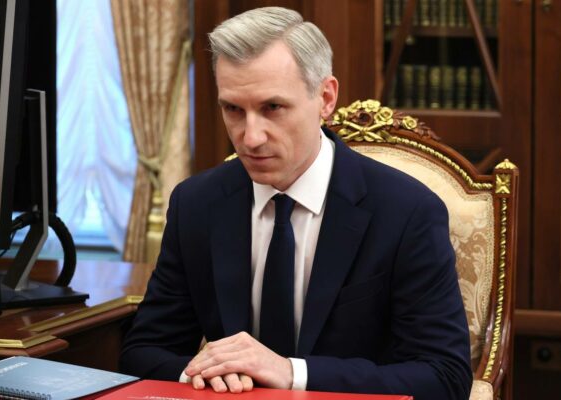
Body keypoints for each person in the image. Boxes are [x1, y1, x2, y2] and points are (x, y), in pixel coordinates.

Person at [119, 6, 472, 400]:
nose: (250, 137)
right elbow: (143, 352)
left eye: (272, 108)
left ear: (325, 98)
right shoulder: (196, 204)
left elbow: (444, 377)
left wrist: (291, 373)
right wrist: (213, 373)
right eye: (233, 109)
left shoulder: (407, 211)